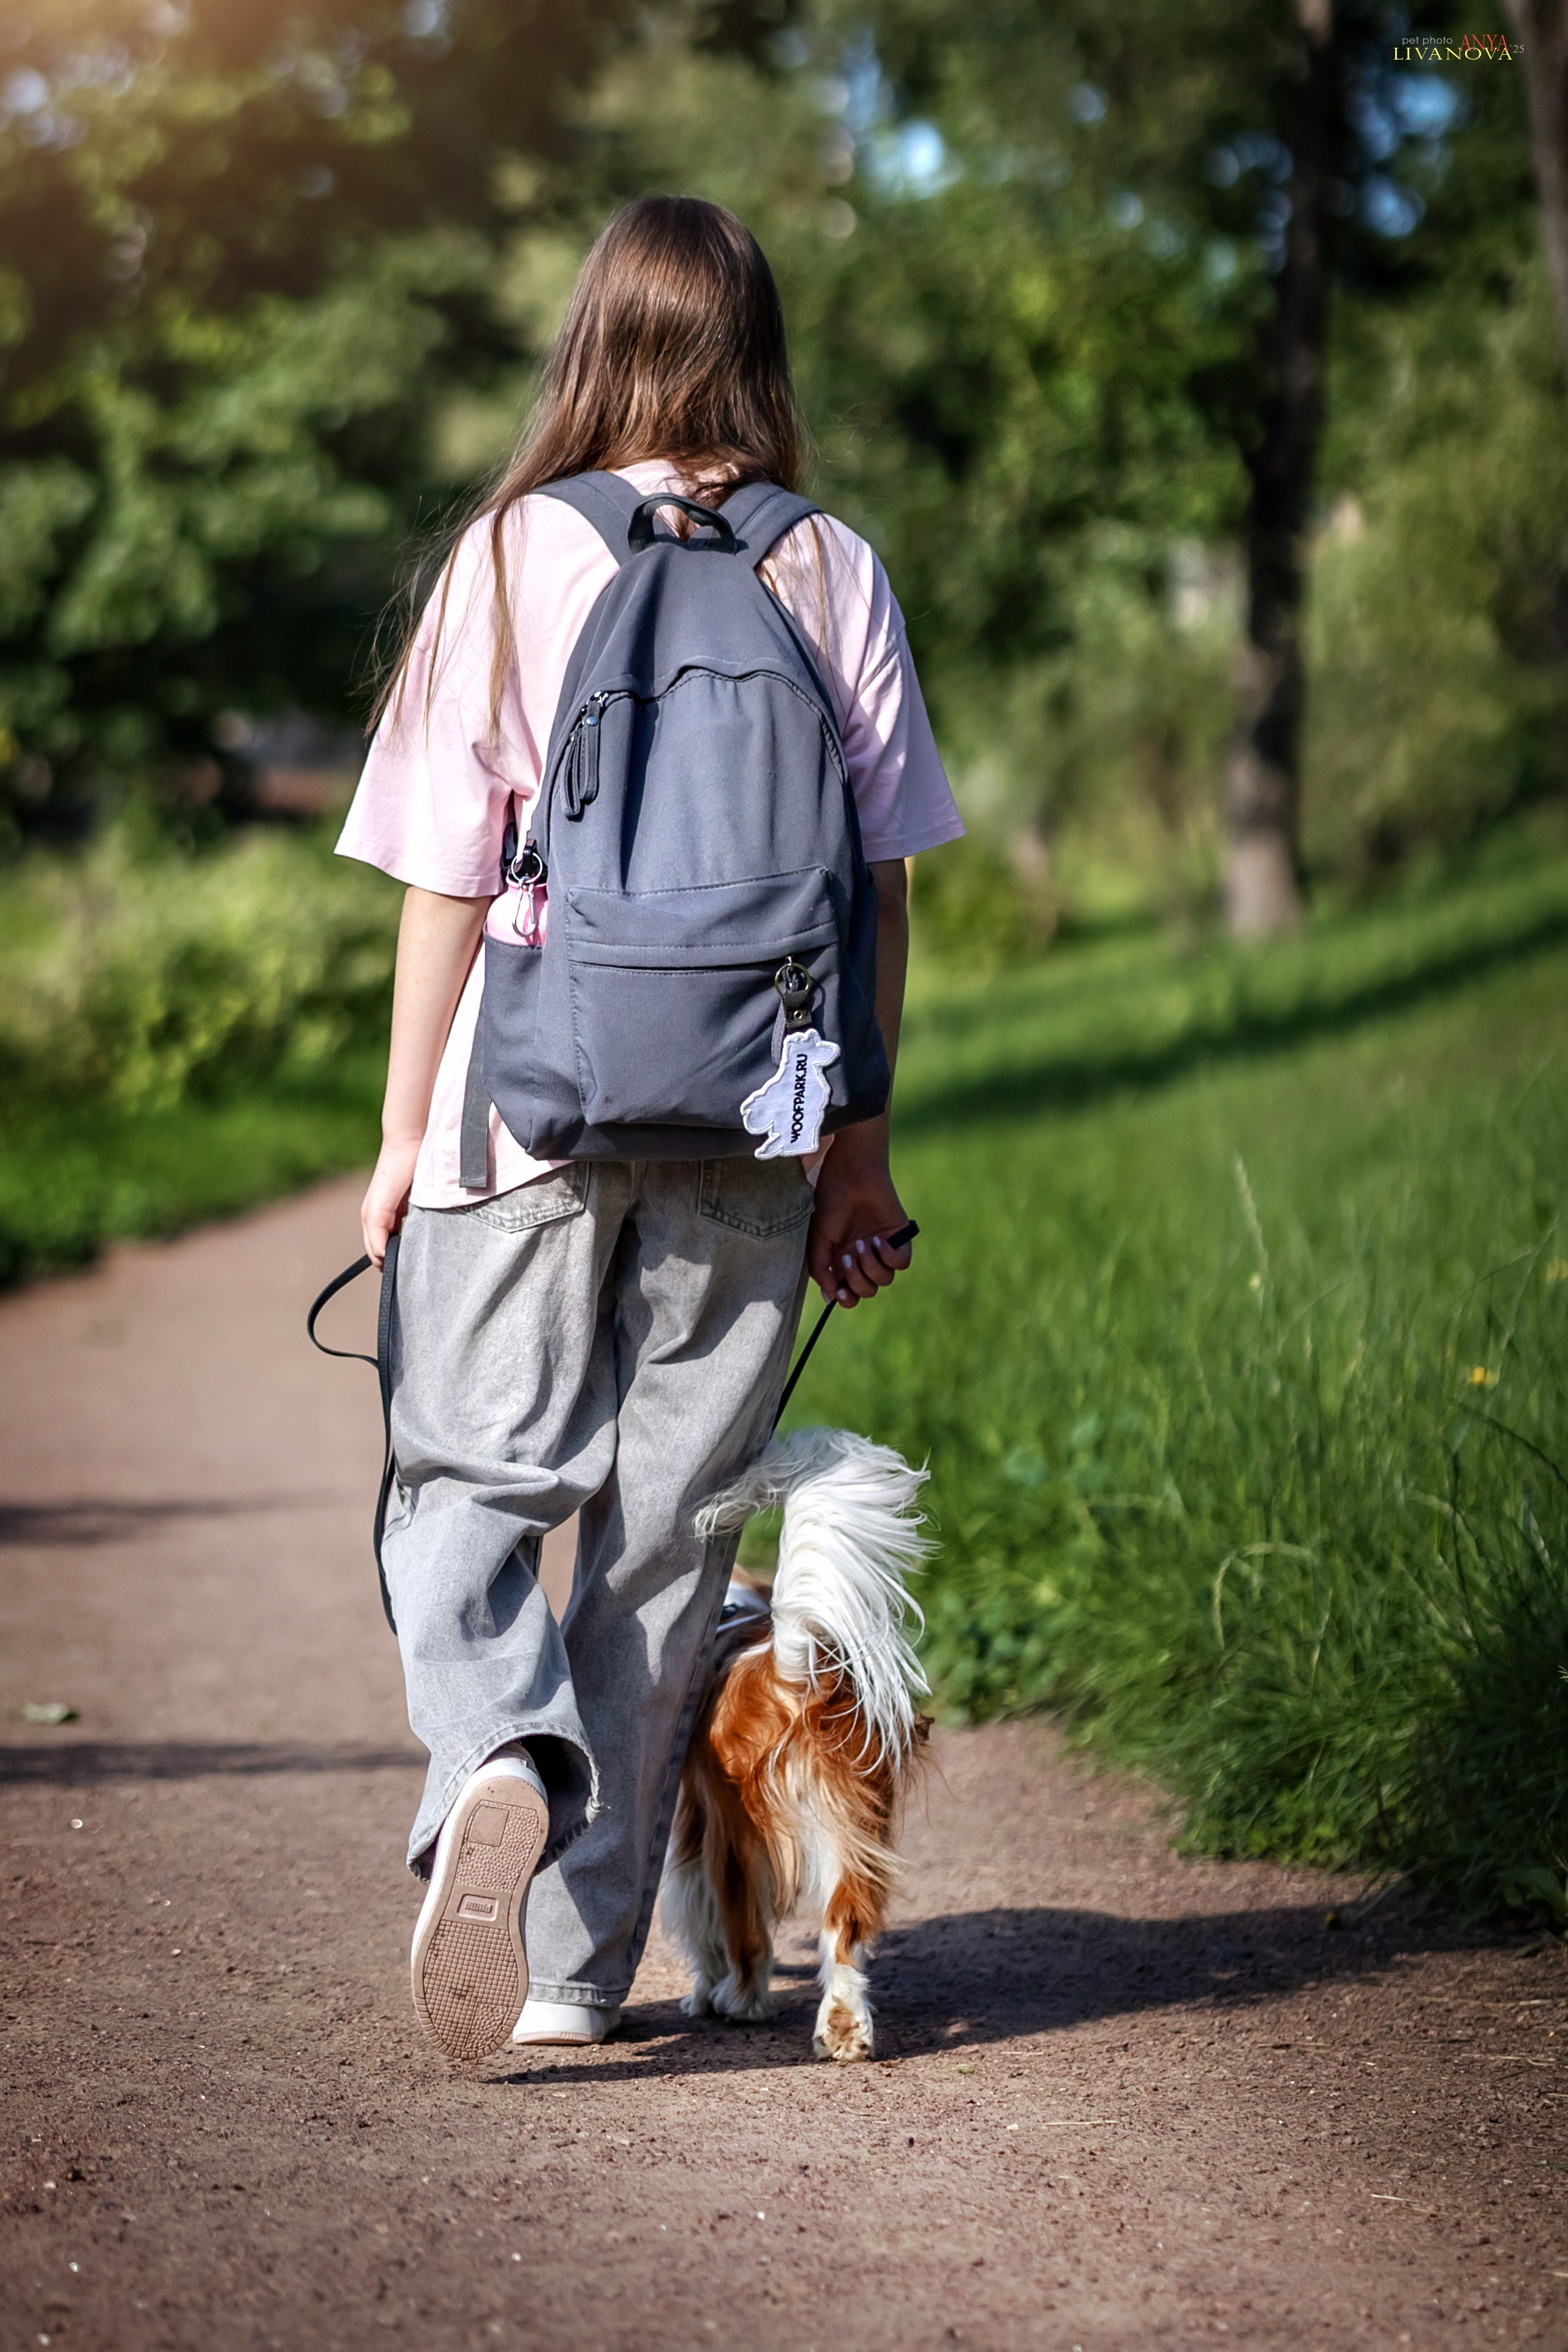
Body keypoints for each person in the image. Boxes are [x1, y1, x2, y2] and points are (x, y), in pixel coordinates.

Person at [336, 193, 963, 2061]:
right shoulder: (830, 565)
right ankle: (569, 1975)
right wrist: (858, 1138)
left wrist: (398, 1134)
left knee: (467, 1489)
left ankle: (499, 1742)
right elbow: (881, 889)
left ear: (592, 341)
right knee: (665, 1541)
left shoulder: (512, 555)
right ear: (757, 350)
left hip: (530, 1102)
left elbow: (445, 881)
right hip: (763, 1107)